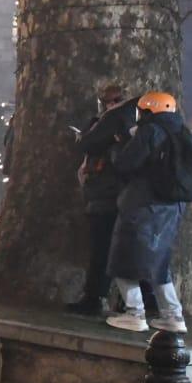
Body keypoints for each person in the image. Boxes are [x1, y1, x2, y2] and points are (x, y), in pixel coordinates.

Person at [106, 91, 192, 334]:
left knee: (122, 258)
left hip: (144, 204)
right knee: (158, 262)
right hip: (171, 207)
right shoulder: (181, 131)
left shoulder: (150, 131)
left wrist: (120, 145)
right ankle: (173, 315)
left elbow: (126, 163)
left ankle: (134, 313)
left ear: (148, 111)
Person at [69, 85, 137, 316]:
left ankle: (98, 298)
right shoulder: (127, 120)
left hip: (107, 193)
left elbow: (87, 143)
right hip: (113, 193)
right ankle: (118, 300)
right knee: (112, 249)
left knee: (104, 250)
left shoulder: (115, 119)